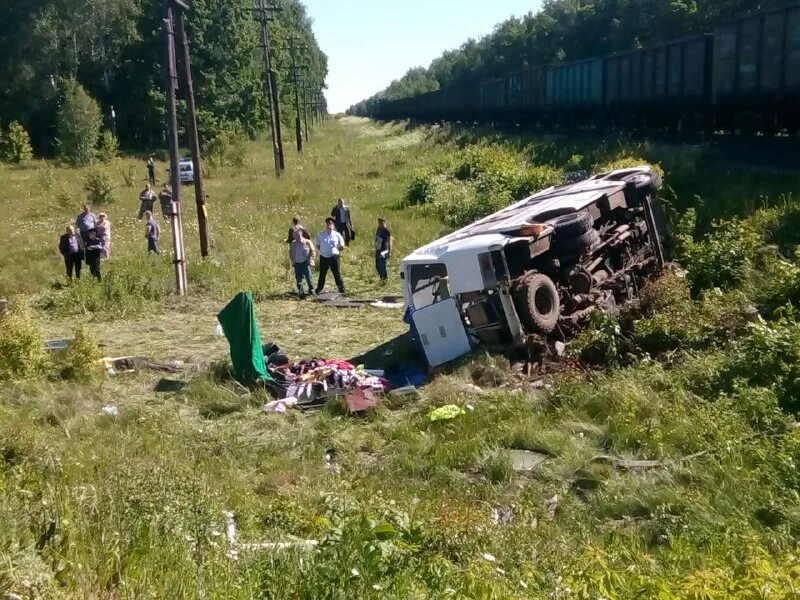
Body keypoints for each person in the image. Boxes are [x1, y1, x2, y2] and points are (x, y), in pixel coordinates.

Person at [315, 217, 346, 295]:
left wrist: (336, 251)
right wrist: (324, 251)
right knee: (322, 273)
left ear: (333, 226)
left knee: (336, 273)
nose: (329, 225)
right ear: (326, 225)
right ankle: (319, 288)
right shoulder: (321, 234)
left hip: (334, 257)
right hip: (324, 257)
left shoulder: (337, 235)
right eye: (328, 224)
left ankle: (341, 288)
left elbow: (342, 246)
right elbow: (318, 245)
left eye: (331, 224)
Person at [289, 228, 316, 298]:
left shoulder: (307, 242)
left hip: (305, 263)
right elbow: (291, 253)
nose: (293, 237)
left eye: (294, 235)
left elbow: (313, 251)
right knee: (298, 280)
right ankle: (301, 293)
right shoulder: (293, 244)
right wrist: (293, 261)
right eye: (293, 235)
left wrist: (311, 260)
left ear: (299, 235)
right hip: (297, 264)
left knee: (309, 279)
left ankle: (311, 290)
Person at [375, 217, 393, 283]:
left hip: (384, 249)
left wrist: (389, 252)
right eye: (379, 223)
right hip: (378, 249)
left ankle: (385, 280)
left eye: (381, 223)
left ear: (384, 222)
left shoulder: (387, 230)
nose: (379, 224)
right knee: (377, 266)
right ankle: (382, 278)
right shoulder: (379, 228)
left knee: (382, 265)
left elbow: (390, 241)